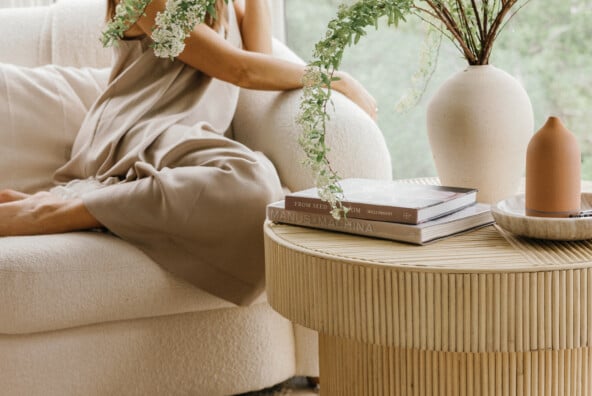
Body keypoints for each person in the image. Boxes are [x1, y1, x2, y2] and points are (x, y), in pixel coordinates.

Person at [0, 0, 377, 304]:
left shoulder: (230, 6)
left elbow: (262, 67)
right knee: (253, 182)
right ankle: (57, 211)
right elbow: (240, 70)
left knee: (257, 184)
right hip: (138, 131)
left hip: (187, 142)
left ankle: (81, 201)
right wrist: (335, 78)